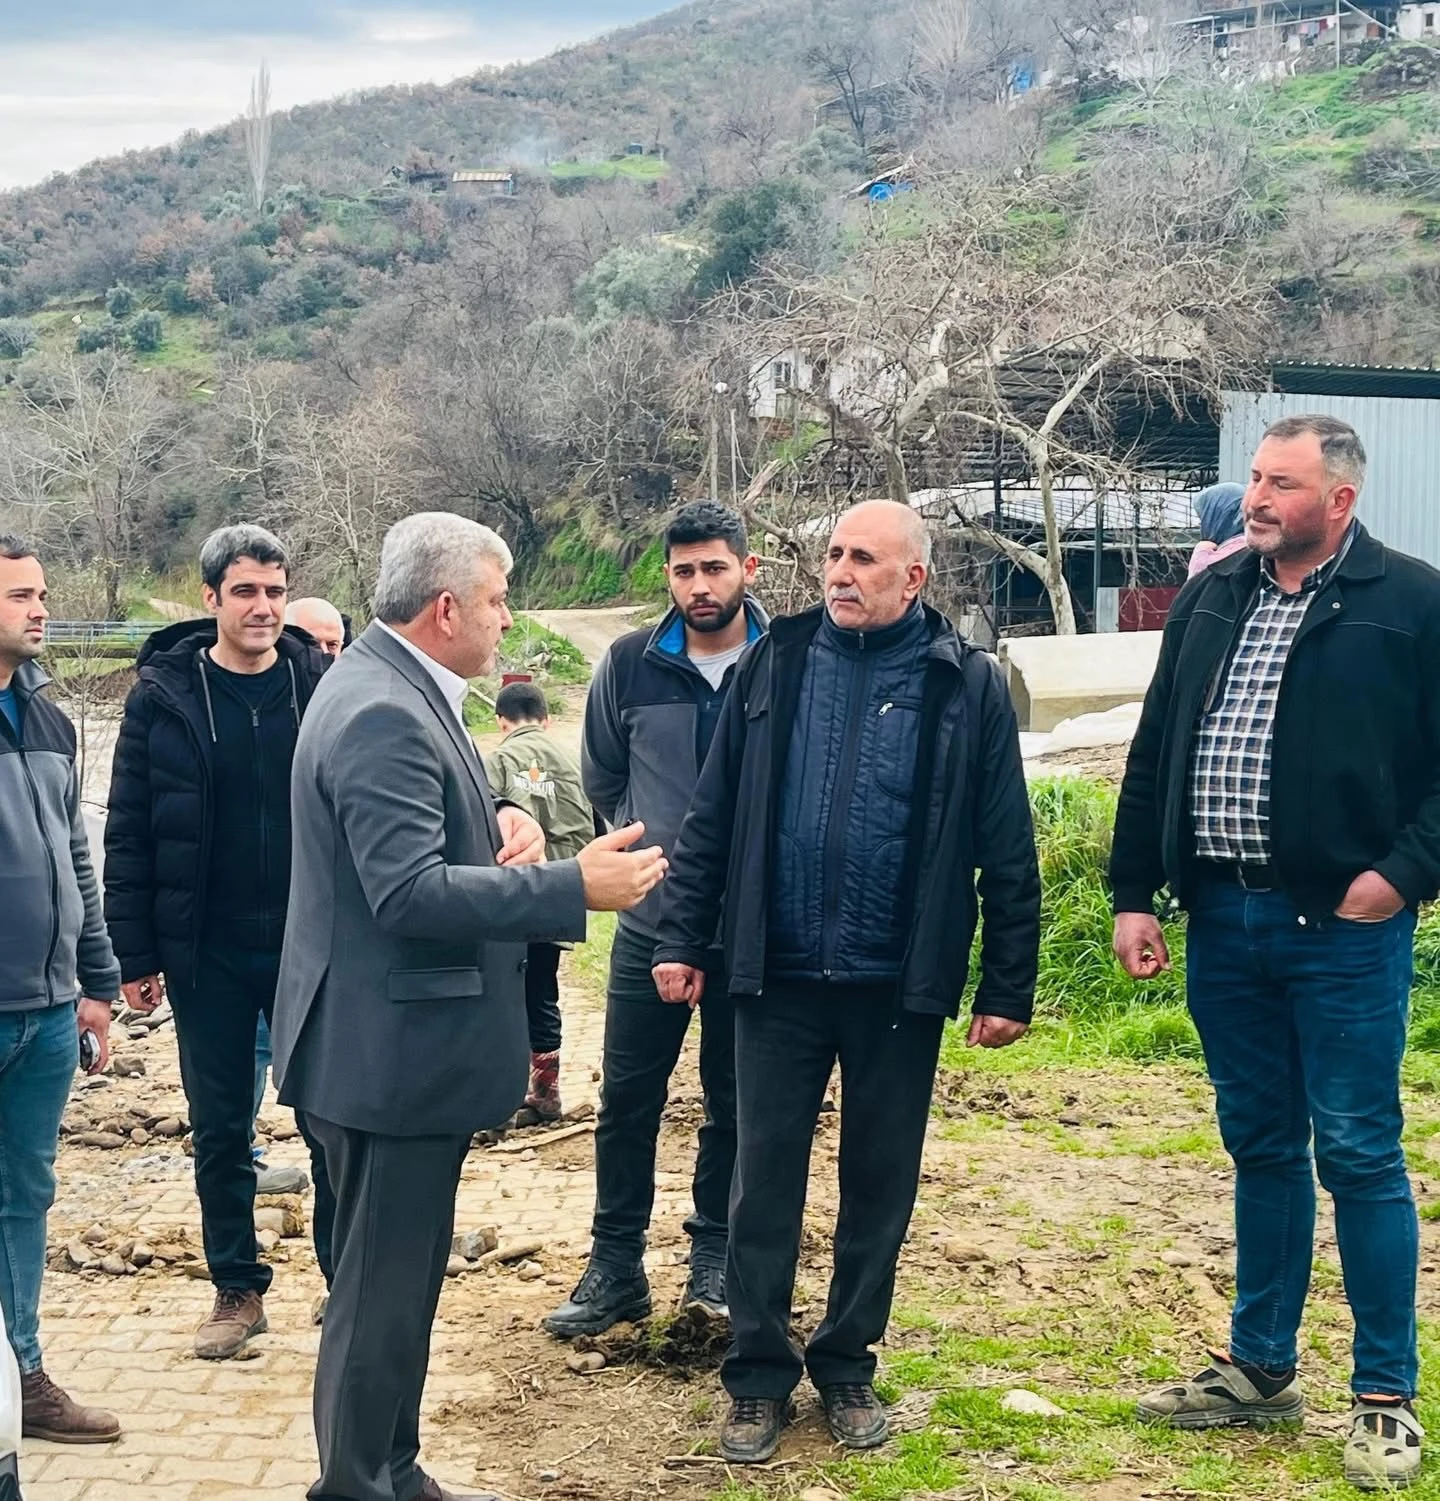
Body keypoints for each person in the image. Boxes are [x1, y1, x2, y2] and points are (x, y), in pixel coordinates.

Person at [270, 512, 668, 1501]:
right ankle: (360, 1485)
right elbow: (403, 895)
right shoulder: (382, 709)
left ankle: (392, 1471)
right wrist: (572, 885)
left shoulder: (392, 685)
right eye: (497, 600)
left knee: (393, 1292)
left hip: (381, 1046)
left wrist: (494, 818)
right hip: (388, 1057)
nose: (505, 620)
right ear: (446, 607)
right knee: (380, 1297)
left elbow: (414, 837)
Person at [651, 499, 1041, 1464]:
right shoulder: (773, 664)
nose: (840, 571)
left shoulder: (966, 685)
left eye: (863, 558)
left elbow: (1006, 841)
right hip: (774, 976)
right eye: (832, 554)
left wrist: (1006, 984)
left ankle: (848, 1362)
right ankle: (755, 1374)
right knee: (761, 1182)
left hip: (895, 984)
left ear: (913, 577)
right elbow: (711, 820)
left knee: (879, 1184)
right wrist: (683, 937)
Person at [1111, 414, 1440, 1492]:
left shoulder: (1412, 602)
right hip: (1223, 921)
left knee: (1356, 1150)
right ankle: (1260, 1369)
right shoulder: (1215, 594)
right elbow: (1159, 743)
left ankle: (1386, 1398)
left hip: (1342, 933)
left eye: (1279, 483)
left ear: (1338, 500)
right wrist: (1133, 892)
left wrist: (1398, 876)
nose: (1255, 498)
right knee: (1260, 1145)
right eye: (1253, 478)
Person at [103, 525, 330, 1361]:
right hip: (206, 951)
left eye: (274, 590)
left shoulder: (318, 682)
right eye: (245, 591)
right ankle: (238, 1288)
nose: (263, 606)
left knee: (329, 1113)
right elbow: (128, 830)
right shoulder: (165, 694)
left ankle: (344, 1282)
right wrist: (135, 955)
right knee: (222, 1125)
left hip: (312, 944)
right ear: (212, 600)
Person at [543, 501, 766, 1341]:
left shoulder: (785, 661)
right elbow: (605, 779)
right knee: (629, 1099)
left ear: (748, 567)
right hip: (649, 923)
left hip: (751, 931)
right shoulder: (629, 663)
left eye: (714, 567)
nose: (700, 585)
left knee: (735, 1104)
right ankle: (615, 1265)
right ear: (666, 576)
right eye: (683, 571)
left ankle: (714, 1261)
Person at [0, 537, 122, 1445]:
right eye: (21, 597)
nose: (41, 609)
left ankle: (24, 1375)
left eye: (42, 593)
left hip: (45, 1010)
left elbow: (77, 852)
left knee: (26, 1195)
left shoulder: (46, 713)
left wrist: (96, 980)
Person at [484, 681, 595, 1120]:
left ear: (500, 721)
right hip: (560, 891)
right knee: (542, 991)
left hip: (511, 894)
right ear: (546, 718)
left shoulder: (496, 761)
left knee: (503, 994)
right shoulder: (573, 760)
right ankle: (546, 1092)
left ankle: (504, 1098)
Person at [1187, 482, 1248, 578]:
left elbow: (1196, 590)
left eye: (1203, 519)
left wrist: (1201, 554)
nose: (1201, 525)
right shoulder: (1256, 546)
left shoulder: (1222, 555)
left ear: (1214, 516)